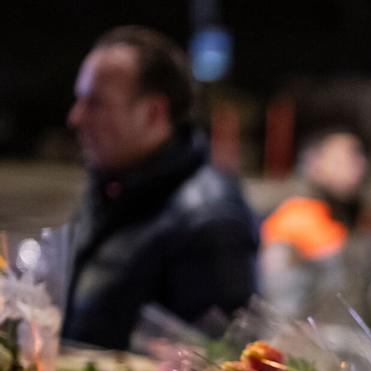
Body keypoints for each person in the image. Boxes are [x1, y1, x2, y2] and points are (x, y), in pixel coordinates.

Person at [63, 26, 258, 350]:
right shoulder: (114, 187)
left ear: (153, 112)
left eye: (95, 103)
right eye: (79, 100)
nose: (75, 117)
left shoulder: (211, 218)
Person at [259, 127, 371, 329]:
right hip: (311, 352)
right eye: (345, 159)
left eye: (359, 156)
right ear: (315, 165)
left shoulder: (361, 217)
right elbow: (282, 305)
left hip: (356, 347)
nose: (359, 166)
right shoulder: (293, 219)